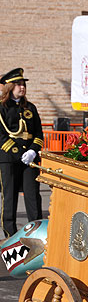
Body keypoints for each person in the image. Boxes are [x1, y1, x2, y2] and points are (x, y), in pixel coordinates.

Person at [0, 68, 43, 237]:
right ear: (10, 87)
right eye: (18, 84)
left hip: (30, 159)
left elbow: (38, 133)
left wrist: (33, 151)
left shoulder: (30, 108)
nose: (22, 87)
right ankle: (10, 235)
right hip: (9, 158)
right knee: (9, 198)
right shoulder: (2, 107)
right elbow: (1, 136)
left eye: (23, 84)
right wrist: (19, 153)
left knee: (33, 197)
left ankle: (36, 232)